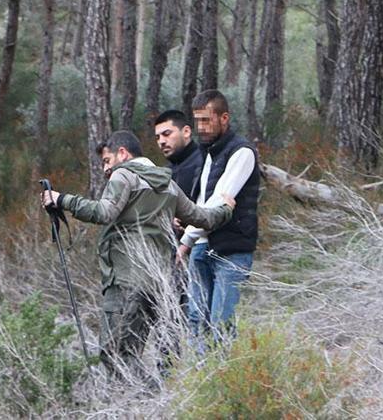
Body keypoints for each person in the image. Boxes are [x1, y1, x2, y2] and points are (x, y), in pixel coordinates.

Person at [40, 130, 234, 384]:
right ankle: (151, 400)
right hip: (158, 285)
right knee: (130, 352)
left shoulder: (124, 174)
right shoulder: (169, 185)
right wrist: (226, 209)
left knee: (113, 356)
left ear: (123, 153)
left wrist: (62, 199)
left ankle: (149, 398)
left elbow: (104, 212)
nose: (106, 170)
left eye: (107, 161)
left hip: (126, 281)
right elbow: (203, 218)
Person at [177, 90, 260, 349]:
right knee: (196, 320)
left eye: (206, 120)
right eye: (197, 120)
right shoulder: (208, 153)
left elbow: (218, 203)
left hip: (231, 250)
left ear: (224, 118)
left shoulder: (242, 152)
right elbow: (201, 200)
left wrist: (187, 237)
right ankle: (200, 380)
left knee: (219, 324)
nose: (201, 127)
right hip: (202, 247)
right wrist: (190, 241)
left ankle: (223, 381)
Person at [152, 110, 203, 372]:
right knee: (169, 314)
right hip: (174, 257)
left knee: (197, 318)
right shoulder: (169, 170)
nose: (161, 141)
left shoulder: (202, 163)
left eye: (167, 133)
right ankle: (166, 375)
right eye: (158, 136)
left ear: (186, 131)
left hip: (201, 253)